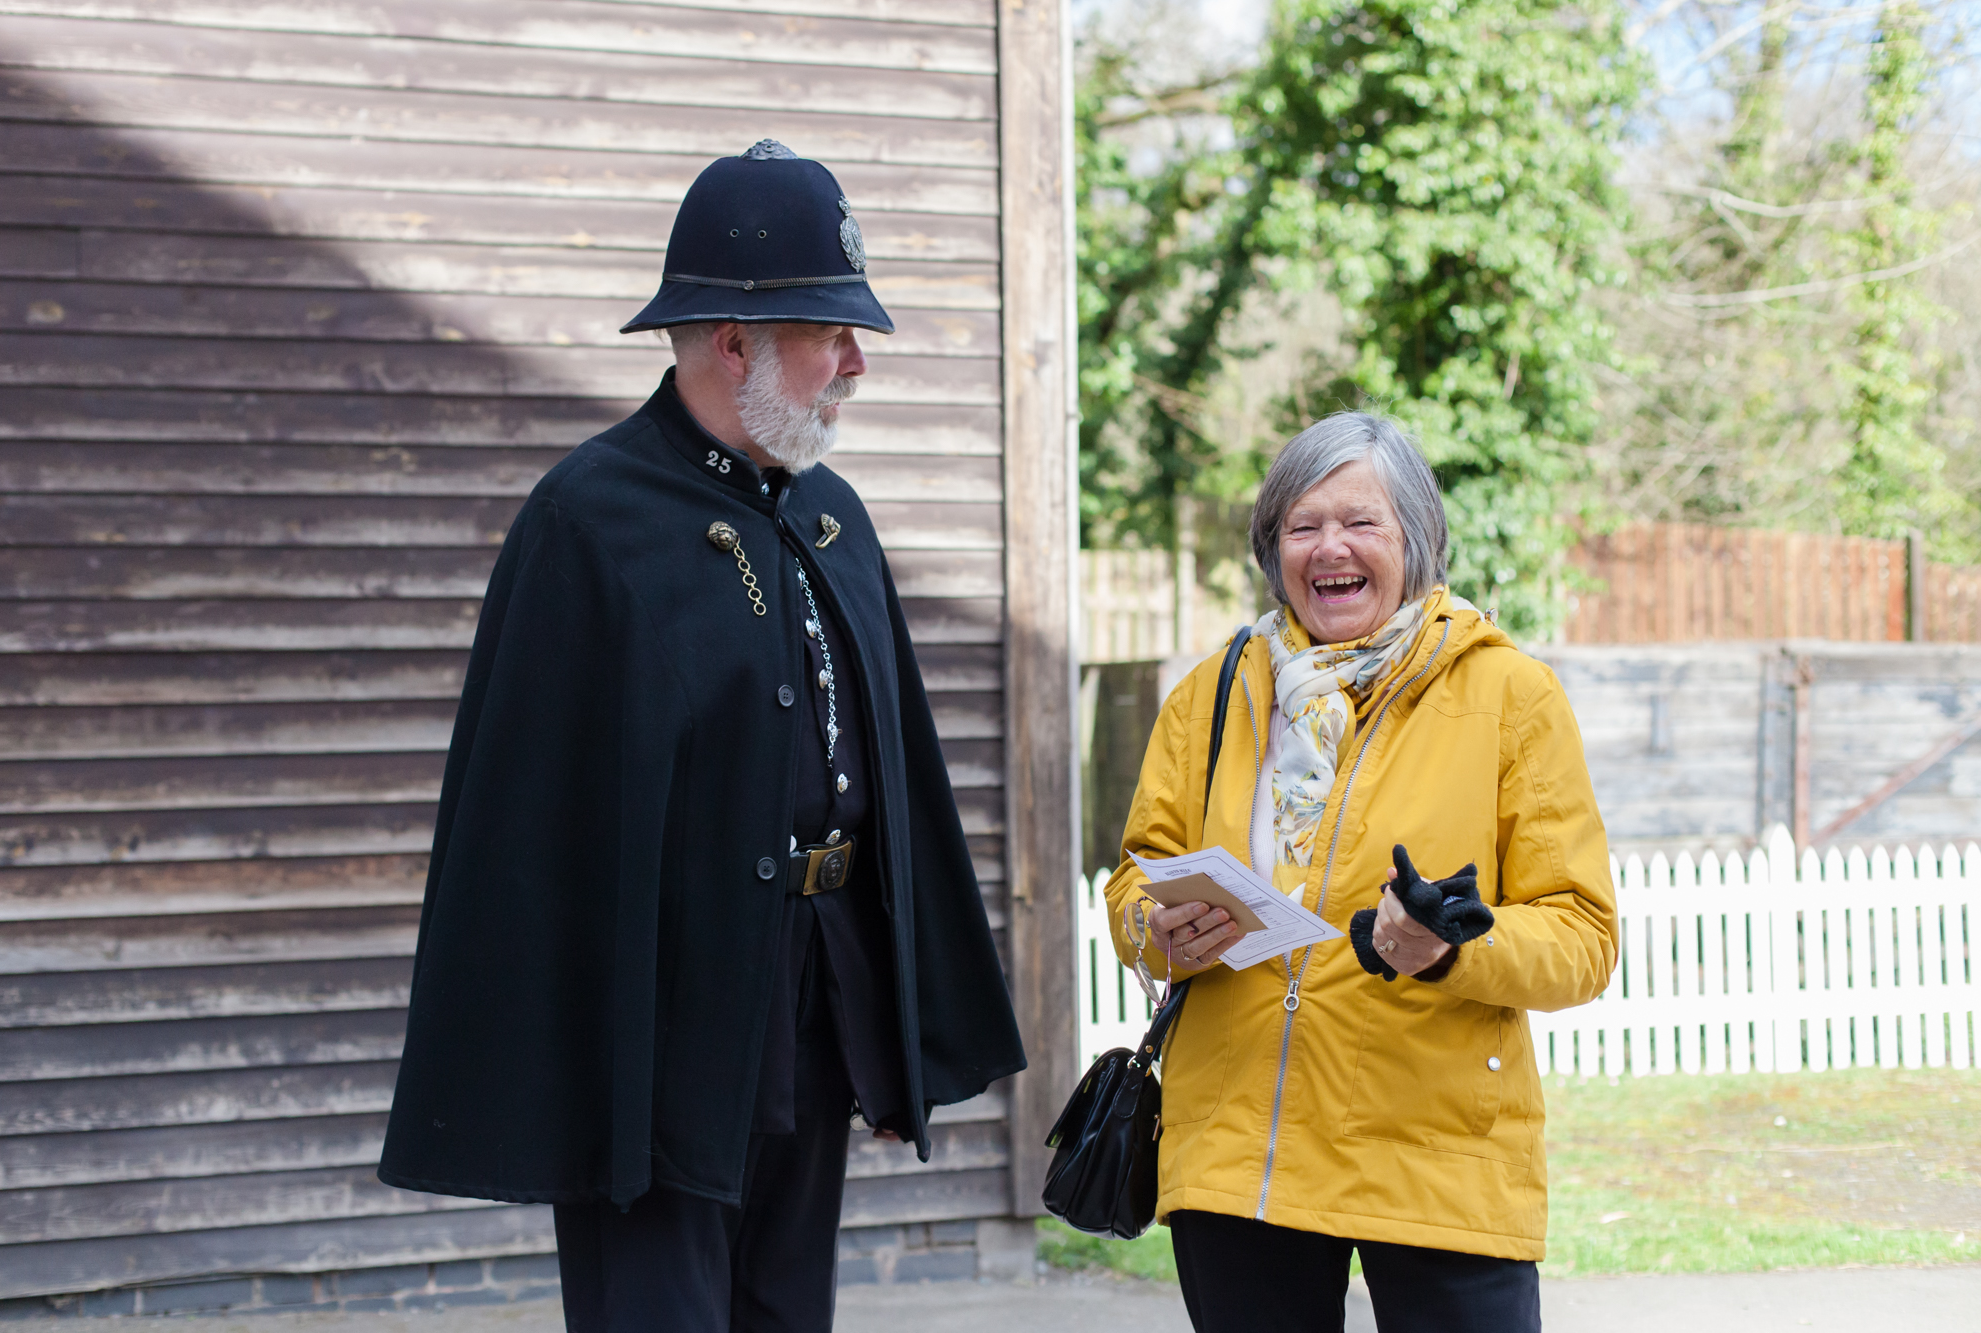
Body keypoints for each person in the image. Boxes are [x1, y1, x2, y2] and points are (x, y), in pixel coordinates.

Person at [378, 140, 1025, 1333]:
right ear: (734, 342)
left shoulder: (832, 514)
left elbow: (891, 778)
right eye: (831, 335)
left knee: (787, 1309)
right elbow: (524, 827)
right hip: (654, 1031)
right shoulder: (589, 520)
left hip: (814, 1008)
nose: (855, 365)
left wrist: (891, 1022)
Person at [1101, 412, 1616, 1333]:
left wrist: (1453, 946)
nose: (1329, 546)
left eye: (1360, 522)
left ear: (1415, 541)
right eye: (1302, 525)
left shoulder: (1510, 696)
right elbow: (1136, 878)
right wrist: (1156, 927)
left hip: (1438, 1158)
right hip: (1238, 1154)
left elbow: (1583, 935)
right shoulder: (1212, 694)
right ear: (1273, 548)